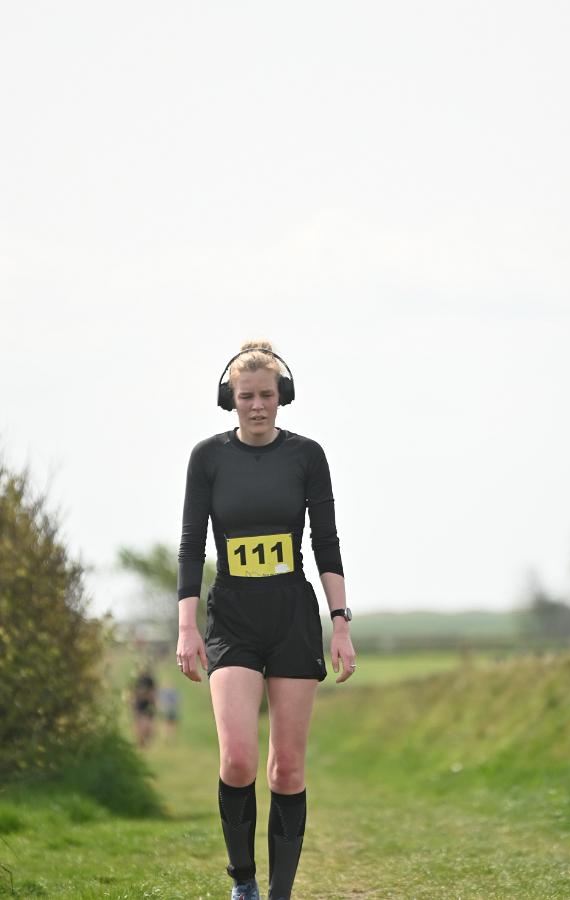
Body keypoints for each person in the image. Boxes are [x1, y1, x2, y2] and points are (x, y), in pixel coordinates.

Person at [176, 340, 356, 900]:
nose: (257, 406)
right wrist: (186, 627)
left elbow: (327, 544)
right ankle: (244, 882)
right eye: (246, 396)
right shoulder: (208, 458)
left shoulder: (307, 456)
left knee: (287, 770)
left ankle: (279, 894)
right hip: (232, 615)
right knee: (237, 759)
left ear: (283, 397)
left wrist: (341, 623)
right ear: (229, 399)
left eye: (267, 396)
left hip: (291, 616)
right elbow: (191, 545)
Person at [130, 665, 157, 749]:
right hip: (139, 705)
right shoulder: (138, 680)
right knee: (139, 723)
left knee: (147, 724)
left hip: (147, 705)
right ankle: (141, 740)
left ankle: (145, 740)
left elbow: (153, 692)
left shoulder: (149, 680)